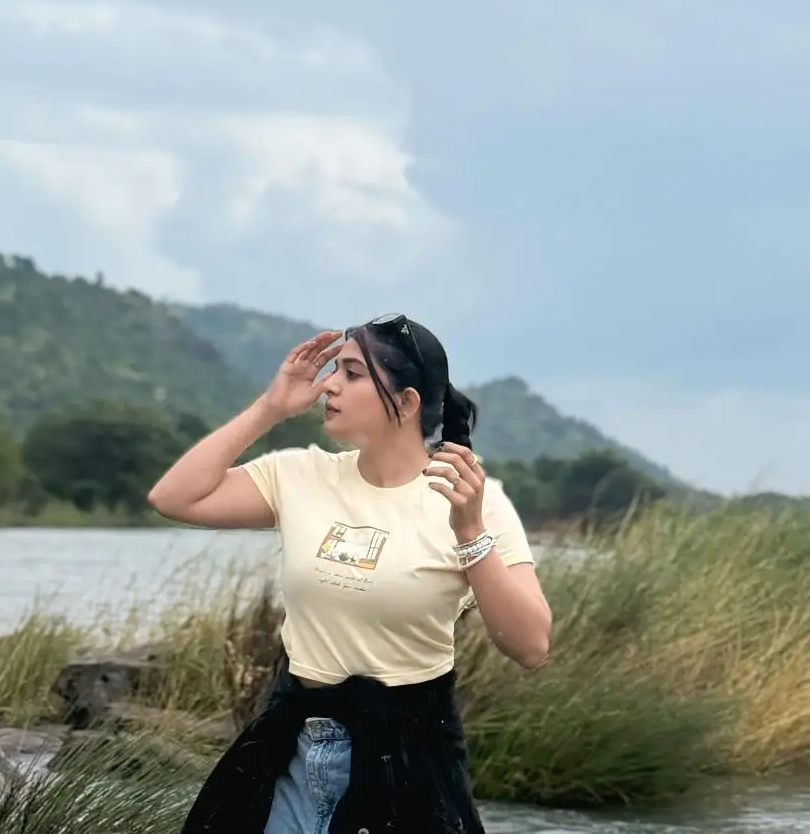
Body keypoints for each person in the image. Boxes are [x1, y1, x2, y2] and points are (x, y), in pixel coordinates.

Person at [148, 315, 552, 833]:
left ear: (405, 402)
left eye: (353, 373)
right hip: (290, 753)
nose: (329, 385)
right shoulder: (299, 475)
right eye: (334, 369)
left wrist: (469, 530)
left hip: (406, 765)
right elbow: (174, 498)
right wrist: (270, 408)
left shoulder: (474, 501)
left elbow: (530, 645)